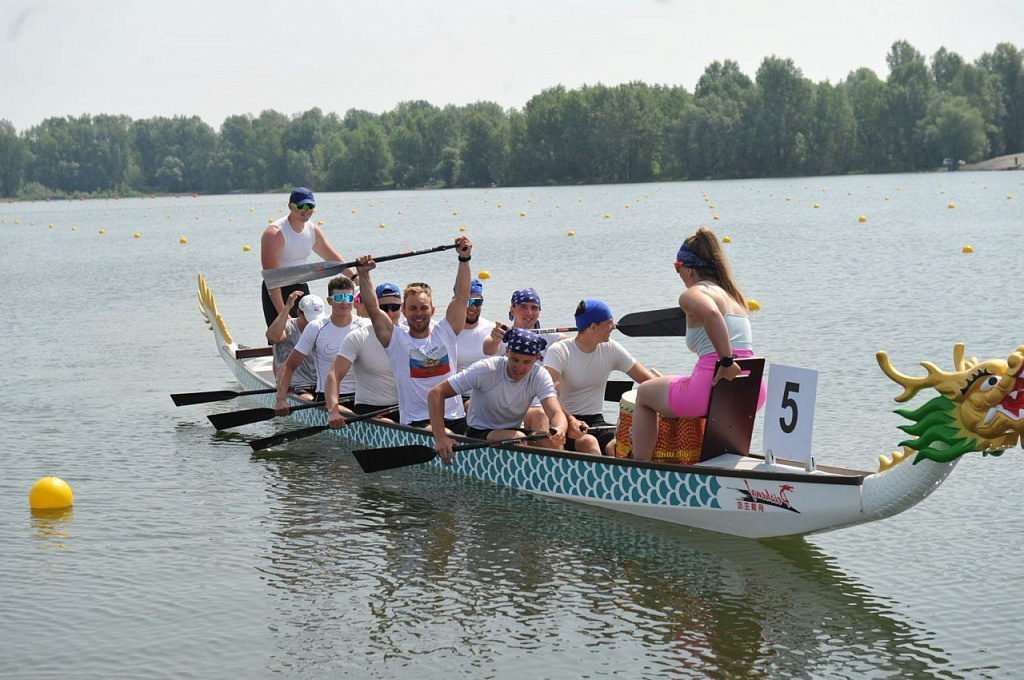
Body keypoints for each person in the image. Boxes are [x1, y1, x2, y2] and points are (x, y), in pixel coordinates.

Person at [632, 228, 766, 462]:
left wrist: (726, 361)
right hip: (752, 389)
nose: (678, 274)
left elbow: (712, 315)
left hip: (712, 385)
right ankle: (721, 461)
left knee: (643, 394)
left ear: (688, 269)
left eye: (677, 267)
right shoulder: (734, 296)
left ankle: (640, 471)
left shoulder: (691, 295)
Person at [356, 237, 473, 432]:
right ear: (403, 311)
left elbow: (462, 297)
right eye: (413, 308)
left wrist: (464, 258)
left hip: (455, 417)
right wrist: (364, 275)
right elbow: (373, 308)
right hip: (418, 422)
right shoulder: (396, 340)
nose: (418, 313)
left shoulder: (446, 331)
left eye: (423, 308)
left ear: (433, 310)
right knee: (445, 433)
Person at [428, 328, 568, 464]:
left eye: (526, 362)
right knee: (518, 439)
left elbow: (556, 412)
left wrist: (559, 429)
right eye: (515, 360)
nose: (519, 368)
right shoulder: (486, 369)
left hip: (513, 431)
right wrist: (440, 438)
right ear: (507, 352)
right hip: (479, 433)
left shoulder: (539, 375)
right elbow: (436, 393)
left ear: (537, 358)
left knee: (548, 440)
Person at [546, 299, 656, 456]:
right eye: (609, 323)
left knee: (618, 446)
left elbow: (646, 379)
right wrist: (570, 421)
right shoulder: (559, 351)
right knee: (589, 443)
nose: (614, 327)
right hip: (564, 422)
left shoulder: (610, 348)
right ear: (593, 326)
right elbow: (550, 393)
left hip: (596, 421)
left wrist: (668, 389)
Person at [273, 275, 370, 415]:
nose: (344, 302)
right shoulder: (316, 328)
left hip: (362, 396)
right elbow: (289, 366)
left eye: (348, 298)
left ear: (353, 301)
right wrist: (280, 399)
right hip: (328, 397)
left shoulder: (365, 325)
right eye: (338, 298)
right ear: (329, 301)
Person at [260, 187, 356, 326]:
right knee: (282, 336)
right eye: (302, 206)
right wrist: (283, 314)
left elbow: (332, 257)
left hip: (301, 285)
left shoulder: (313, 230)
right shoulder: (274, 234)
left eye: (310, 206)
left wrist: (355, 278)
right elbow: (272, 280)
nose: (307, 211)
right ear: (290, 207)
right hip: (277, 290)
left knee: (309, 331)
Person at [483, 287, 567, 431]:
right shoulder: (503, 336)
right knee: (540, 415)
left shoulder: (549, 337)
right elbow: (488, 349)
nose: (529, 313)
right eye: (523, 307)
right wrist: (495, 337)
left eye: (534, 308)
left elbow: (577, 344)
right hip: (510, 407)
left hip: (542, 403)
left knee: (543, 414)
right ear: (512, 310)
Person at [324, 282, 403, 428]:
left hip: (406, 409)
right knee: (388, 423)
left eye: (395, 307)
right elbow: (334, 375)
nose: (390, 313)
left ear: (402, 307)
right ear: (374, 309)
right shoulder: (358, 337)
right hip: (371, 411)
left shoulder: (410, 335)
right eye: (384, 308)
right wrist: (333, 411)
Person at [265, 290, 325, 400]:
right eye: (310, 318)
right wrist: (287, 307)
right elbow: (273, 337)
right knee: (308, 399)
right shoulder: (288, 327)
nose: (313, 322)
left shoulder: (323, 327)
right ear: (298, 312)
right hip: (294, 386)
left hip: (320, 385)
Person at [455, 278, 494, 372]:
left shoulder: (492, 330)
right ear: (454, 301)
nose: (473, 308)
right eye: (468, 302)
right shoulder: (444, 330)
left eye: (477, 302)